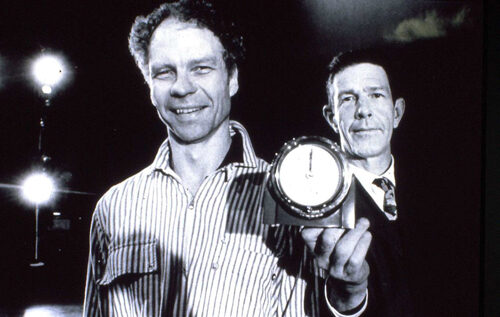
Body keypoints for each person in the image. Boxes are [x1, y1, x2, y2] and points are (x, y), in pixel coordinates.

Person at [83, 1, 371, 316]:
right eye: (165, 72)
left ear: (232, 78)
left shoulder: (291, 197)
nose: (182, 87)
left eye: (201, 68)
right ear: (149, 85)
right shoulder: (114, 207)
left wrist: (347, 296)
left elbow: (323, 304)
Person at [322, 49, 414, 316]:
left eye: (376, 95)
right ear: (331, 118)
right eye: (349, 99)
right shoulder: (316, 203)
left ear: (396, 113)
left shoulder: (444, 191)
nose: (363, 111)